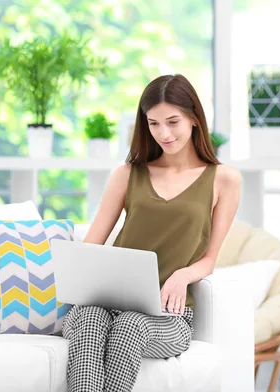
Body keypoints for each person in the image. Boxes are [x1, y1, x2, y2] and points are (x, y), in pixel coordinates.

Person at [62, 74, 242, 392]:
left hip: (169, 317)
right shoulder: (128, 174)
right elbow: (91, 249)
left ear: (194, 119)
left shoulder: (224, 179)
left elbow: (209, 259)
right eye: (154, 124)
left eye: (172, 121)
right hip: (105, 305)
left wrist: (183, 275)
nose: (164, 133)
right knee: (88, 318)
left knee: (130, 326)